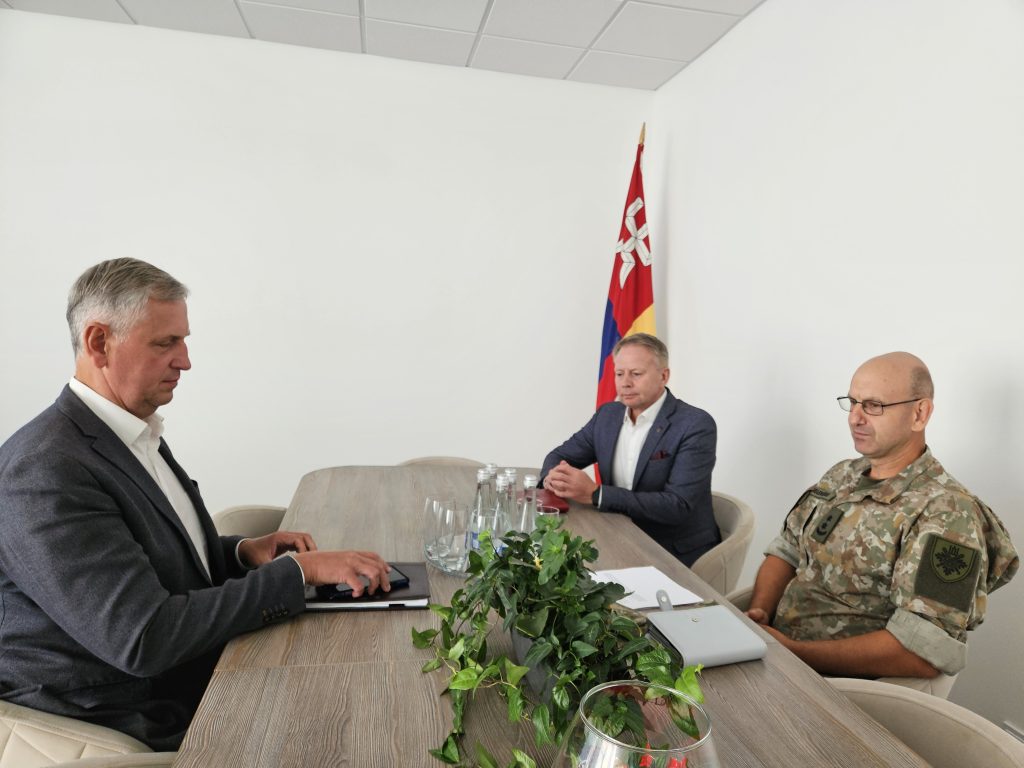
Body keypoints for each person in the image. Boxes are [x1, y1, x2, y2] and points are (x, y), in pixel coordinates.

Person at [0, 258, 392, 750]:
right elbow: (144, 637)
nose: (184, 361)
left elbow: (142, 556)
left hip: (190, 682)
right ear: (99, 342)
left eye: (183, 341)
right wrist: (298, 573)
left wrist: (241, 554)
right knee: (357, 723)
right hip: (135, 725)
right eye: (165, 343)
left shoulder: (127, 433)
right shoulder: (42, 471)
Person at [746, 352, 1018, 680]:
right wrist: (759, 613)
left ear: (919, 413)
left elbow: (922, 653)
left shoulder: (949, 514)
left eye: (874, 405)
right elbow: (787, 550)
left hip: (838, 686)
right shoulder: (842, 475)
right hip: (775, 656)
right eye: (853, 402)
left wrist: (792, 652)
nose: (855, 418)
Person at [539, 333, 719, 566]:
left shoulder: (695, 425)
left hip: (671, 550)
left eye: (636, 373)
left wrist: (596, 494)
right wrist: (554, 477)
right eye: (619, 374)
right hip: (615, 535)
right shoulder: (608, 415)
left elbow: (677, 505)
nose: (625, 383)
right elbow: (559, 456)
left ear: (664, 376)